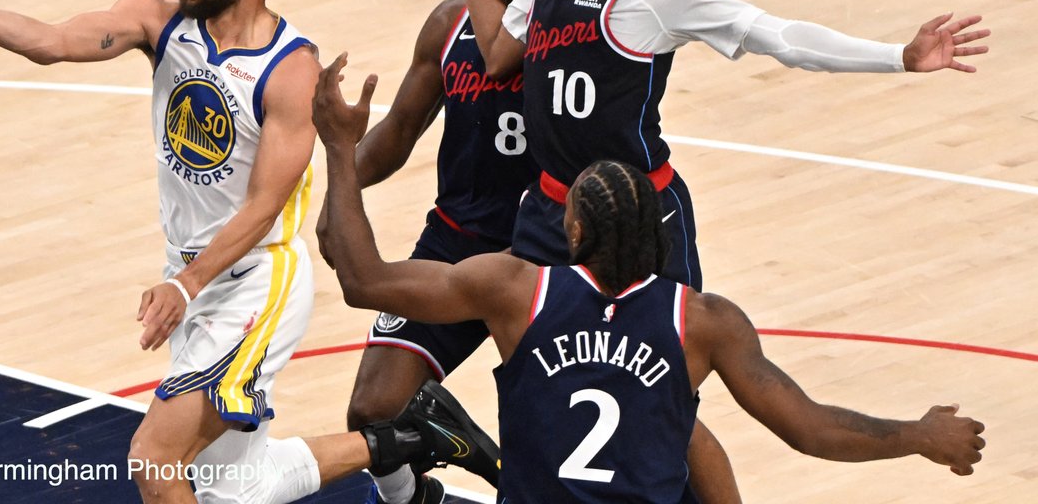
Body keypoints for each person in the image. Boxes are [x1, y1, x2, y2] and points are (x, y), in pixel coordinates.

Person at [0, 0, 502, 504]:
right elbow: (54, 41)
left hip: (257, 281)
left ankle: (407, 438)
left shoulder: (290, 70)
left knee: (154, 461)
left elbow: (265, 205)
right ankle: (408, 437)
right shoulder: (159, 18)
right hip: (193, 274)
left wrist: (187, 286)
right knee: (237, 487)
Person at [311, 57, 986, 501]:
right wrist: (918, 436)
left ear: (570, 233)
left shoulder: (516, 289)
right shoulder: (701, 321)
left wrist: (341, 150)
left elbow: (362, 280)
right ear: (662, 237)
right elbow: (808, 428)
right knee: (677, 421)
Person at [442, 0, 991, 287]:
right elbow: (495, 56)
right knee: (538, 381)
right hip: (550, 211)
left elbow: (780, 37)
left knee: (666, 392)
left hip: (636, 216)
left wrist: (899, 56)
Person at [310, 0, 553, 504]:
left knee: (546, 431)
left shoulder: (563, 36)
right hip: (454, 241)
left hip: (539, 256)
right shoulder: (449, 25)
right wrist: (341, 190)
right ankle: (418, 493)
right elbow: (397, 132)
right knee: (371, 409)